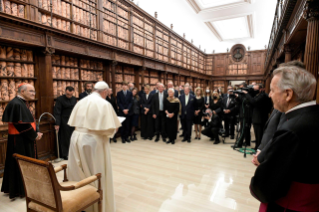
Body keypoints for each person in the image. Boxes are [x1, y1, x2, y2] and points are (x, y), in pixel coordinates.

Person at [249, 65, 319, 212]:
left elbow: (264, 186)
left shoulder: (291, 130)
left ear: (288, 94)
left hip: (289, 205)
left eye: (273, 90)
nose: (269, 95)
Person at [67, 81, 121, 212]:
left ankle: (81, 202)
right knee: (95, 170)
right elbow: (111, 129)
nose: (107, 96)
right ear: (104, 91)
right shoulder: (104, 103)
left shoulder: (81, 101)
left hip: (76, 138)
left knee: (80, 171)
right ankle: (96, 205)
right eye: (107, 93)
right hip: (92, 141)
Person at [1, 83, 43, 199]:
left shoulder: (22, 103)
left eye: (34, 91)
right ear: (22, 92)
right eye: (31, 91)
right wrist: (34, 136)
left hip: (24, 138)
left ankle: (26, 187)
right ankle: (20, 189)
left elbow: (30, 121)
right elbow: (21, 125)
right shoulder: (16, 103)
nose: (33, 94)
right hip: (19, 140)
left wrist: (36, 132)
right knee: (21, 164)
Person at [244, 84, 272, 151]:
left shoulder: (263, 96)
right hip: (256, 117)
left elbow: (254, 102)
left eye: (255, 89)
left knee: (259, 135)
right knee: (257, 134)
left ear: (261, 89)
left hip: (260, 118)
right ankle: (257, 147)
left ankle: (259, 149)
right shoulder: (258, 95)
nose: (254, 91)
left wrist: (247, 94)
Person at [53, 86, 77, 160]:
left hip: (72, 120)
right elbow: (57, 111)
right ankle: (65, 154)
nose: (69, 96)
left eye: (70, 94)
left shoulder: (74, 99)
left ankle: (73, 153)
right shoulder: (60, 99)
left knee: (73, 137)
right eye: (68, 94)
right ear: (65, 92)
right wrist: (57, 123)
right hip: (64, 120)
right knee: (65, 138)